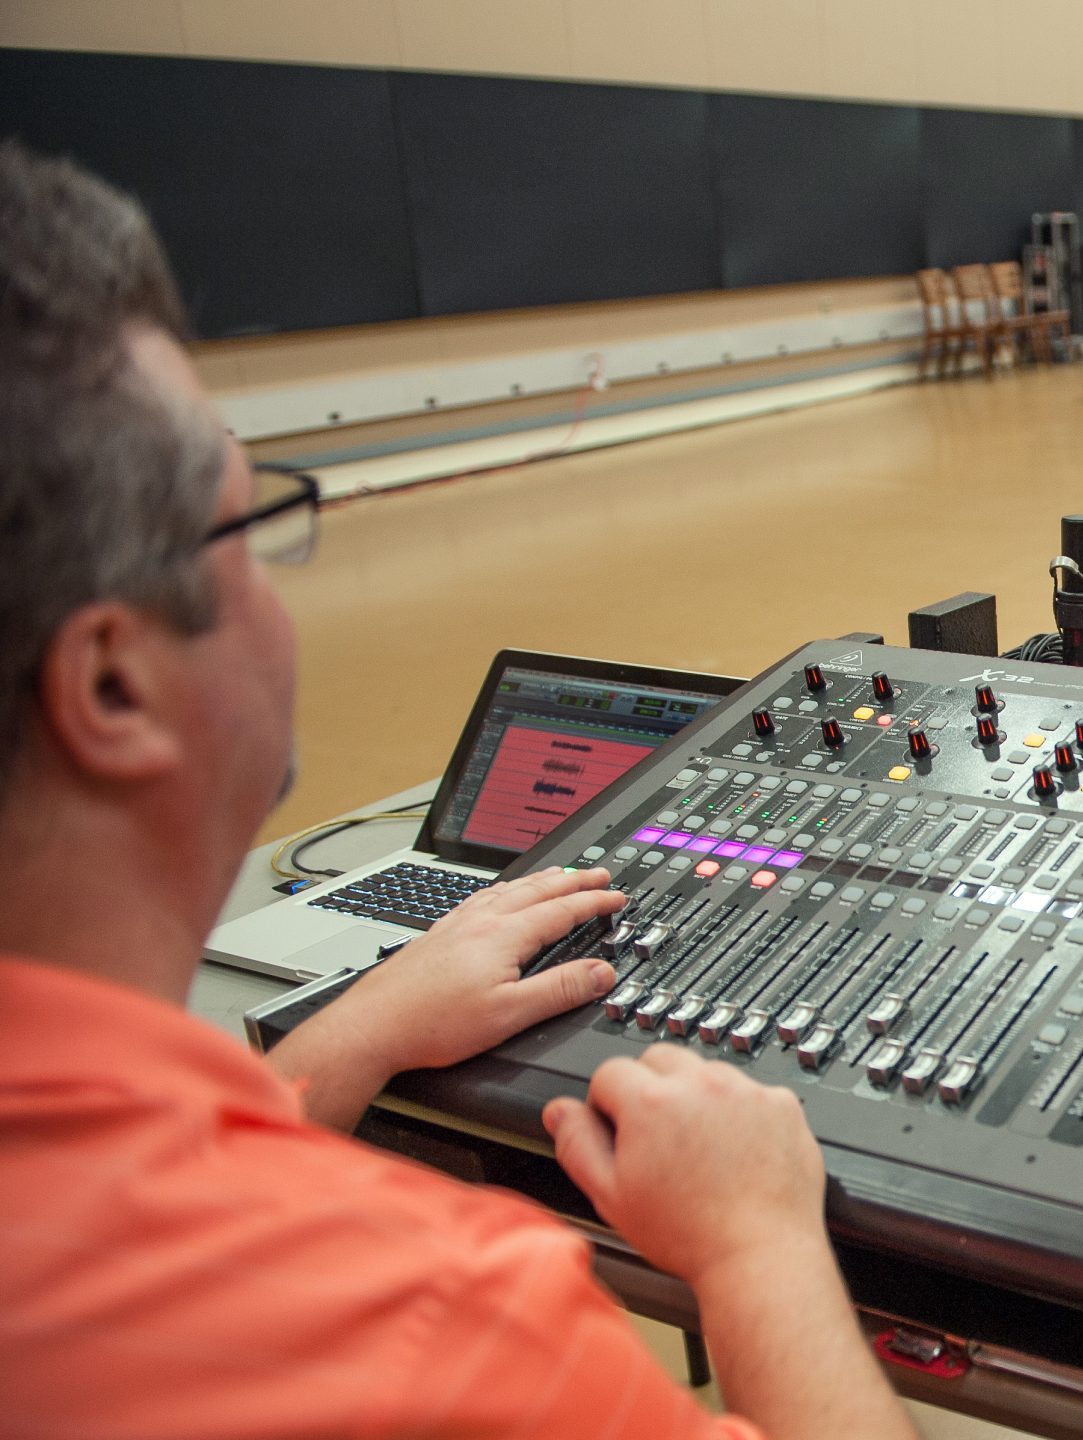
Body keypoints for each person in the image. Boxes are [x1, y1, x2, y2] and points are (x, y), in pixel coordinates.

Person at [0, 142, 918, 1440]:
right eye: (242, 518)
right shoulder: (432, 1323)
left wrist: (357, 1029)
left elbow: (112, 1186)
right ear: (112, 688)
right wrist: (759, 1245)